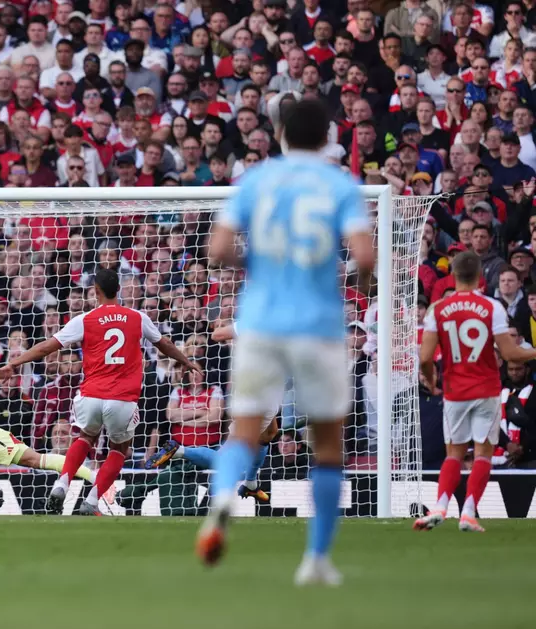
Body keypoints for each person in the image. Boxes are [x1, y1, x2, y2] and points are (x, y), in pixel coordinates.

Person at [200, 97, 375, 585]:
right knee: (326, 447)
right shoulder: (340, 184)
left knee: (243, 431)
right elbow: (363, 256)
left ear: (278, 135)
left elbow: (216, 251)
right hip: (318, 326)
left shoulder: (256, 180)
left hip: (260, 323)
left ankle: (220, 501)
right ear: (327, 139)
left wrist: (259, 265)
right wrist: (361, 287)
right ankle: (316, 559)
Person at [0, 268, 200, 515]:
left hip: (90, 395)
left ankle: (63, 482)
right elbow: (164, 344)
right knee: (119, 449)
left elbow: (46, 347)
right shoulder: (137, 317)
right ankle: (91, 500)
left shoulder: (84, 320)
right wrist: (185, 360)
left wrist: (13, 364)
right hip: (122, 398)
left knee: (85, 437)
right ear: (119, 290)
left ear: (96, 292)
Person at [416, 251, 536, 532]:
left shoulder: (438, 310)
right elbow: (509, 353)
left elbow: (424, 357)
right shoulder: (492, 307)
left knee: (453, 454)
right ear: (481, 276)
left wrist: (433, 381)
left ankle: (440, 506)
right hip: (486, 389)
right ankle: (468, 512)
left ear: (453, 275)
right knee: (482, 453)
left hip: (455, 391)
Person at [145, 321, 279, 504]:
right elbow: (217, 335)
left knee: (269, 434)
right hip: (262, 392)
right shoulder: (274, 323)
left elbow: (218, 335)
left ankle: (251, 484)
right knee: (226, 460)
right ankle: (178, 450)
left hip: (260, 388)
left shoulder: (267, 322)